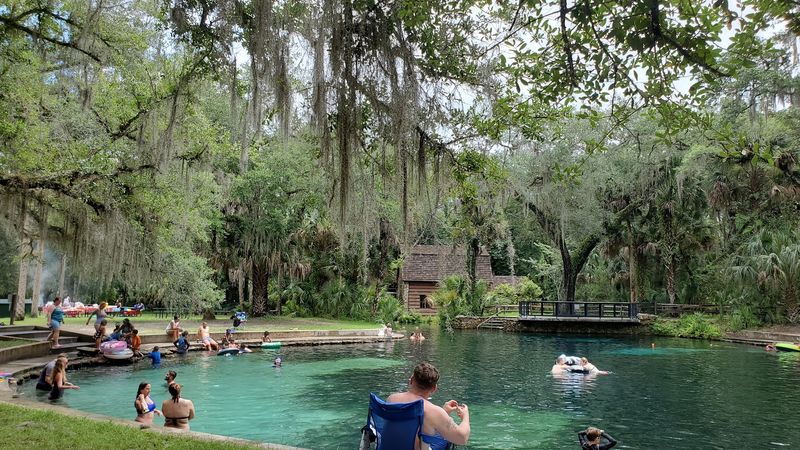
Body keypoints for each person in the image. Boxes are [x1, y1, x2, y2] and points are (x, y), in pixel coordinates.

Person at [387, 362, 470, 449]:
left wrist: (444, 412)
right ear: (434, 389)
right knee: (448, 437)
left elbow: (406, 429)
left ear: (411, 380)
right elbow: (462, 438)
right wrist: (465, 417)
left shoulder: (392, 399)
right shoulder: (433, 411)